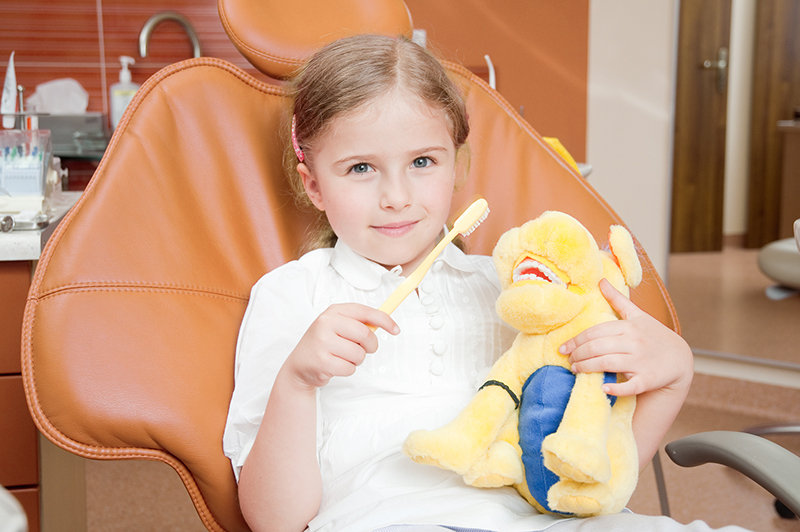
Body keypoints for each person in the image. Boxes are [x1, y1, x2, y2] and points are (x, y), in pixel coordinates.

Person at [223, 34, 740, 532]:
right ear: (313, 184)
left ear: (457, 165)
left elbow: (590, 470)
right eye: (361, 168)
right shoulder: (290, 297)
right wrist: (296, 382)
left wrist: (674, 377)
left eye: (422, 162)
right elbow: (276, 520)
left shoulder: (515, 294)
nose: (397, 196)